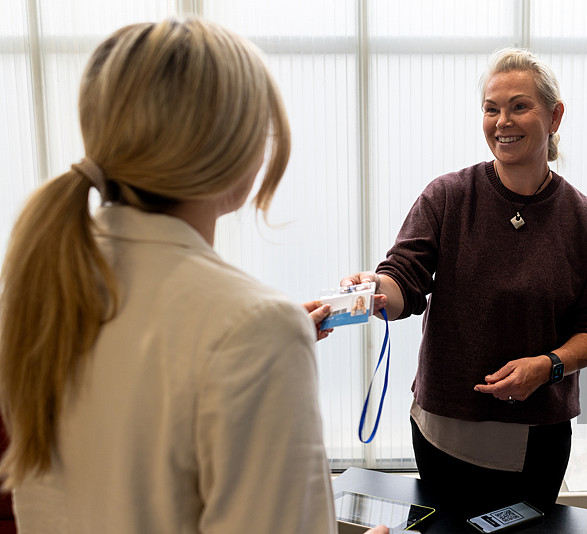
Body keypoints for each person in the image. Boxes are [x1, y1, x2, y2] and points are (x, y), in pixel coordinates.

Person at [0, 18, 386, 534]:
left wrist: (254, 345)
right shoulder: (252, 328)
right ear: (232, 147)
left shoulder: (34, 287)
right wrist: (262, 342)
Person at [342, 48, 587, 516]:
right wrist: (377, 289)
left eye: (519, 106)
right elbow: (403, 277)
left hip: (537, 438)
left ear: (554, 116)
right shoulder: (449, 196)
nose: (502, 121)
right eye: (491, 108)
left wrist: (549, 365)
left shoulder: (585, 223)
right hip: (444, 430)